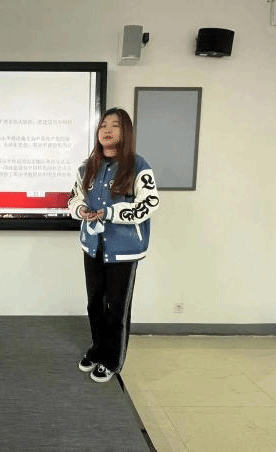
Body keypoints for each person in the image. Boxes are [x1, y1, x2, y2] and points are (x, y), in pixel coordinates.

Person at [67, 107, 159, 383]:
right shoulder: (87, 167)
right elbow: (73, 198)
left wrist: (111, 212)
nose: (106, 130)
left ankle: (112, 360)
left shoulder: (138, 166)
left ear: (125, 131)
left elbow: (149, 203)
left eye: (114, 125)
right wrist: (81, 209)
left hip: (124, 249)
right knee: (95, 303)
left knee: (117, 308)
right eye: (103, 125)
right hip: (92, 245)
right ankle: (97, 349)